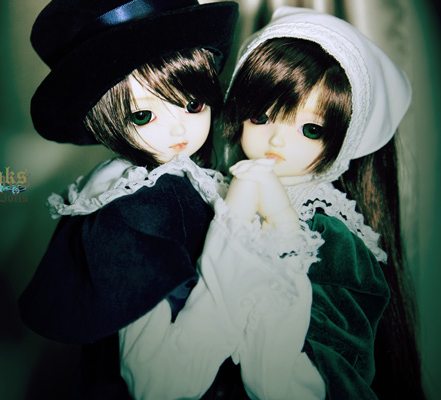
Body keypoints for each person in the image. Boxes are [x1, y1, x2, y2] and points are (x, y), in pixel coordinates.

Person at [119, 6, 424, 399]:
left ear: (345, 139)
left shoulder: (330, 239)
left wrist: (276, 225)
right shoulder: (206, 191)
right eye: (261, 117)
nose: (278, 140)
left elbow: (319, 374)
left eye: (310, 129)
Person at [17, 0, 241, 398]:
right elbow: (154, 379)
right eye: (143, 115)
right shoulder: (136, 211)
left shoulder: (189, 178)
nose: (178, 129)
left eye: (193, 104)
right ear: (104, 120)